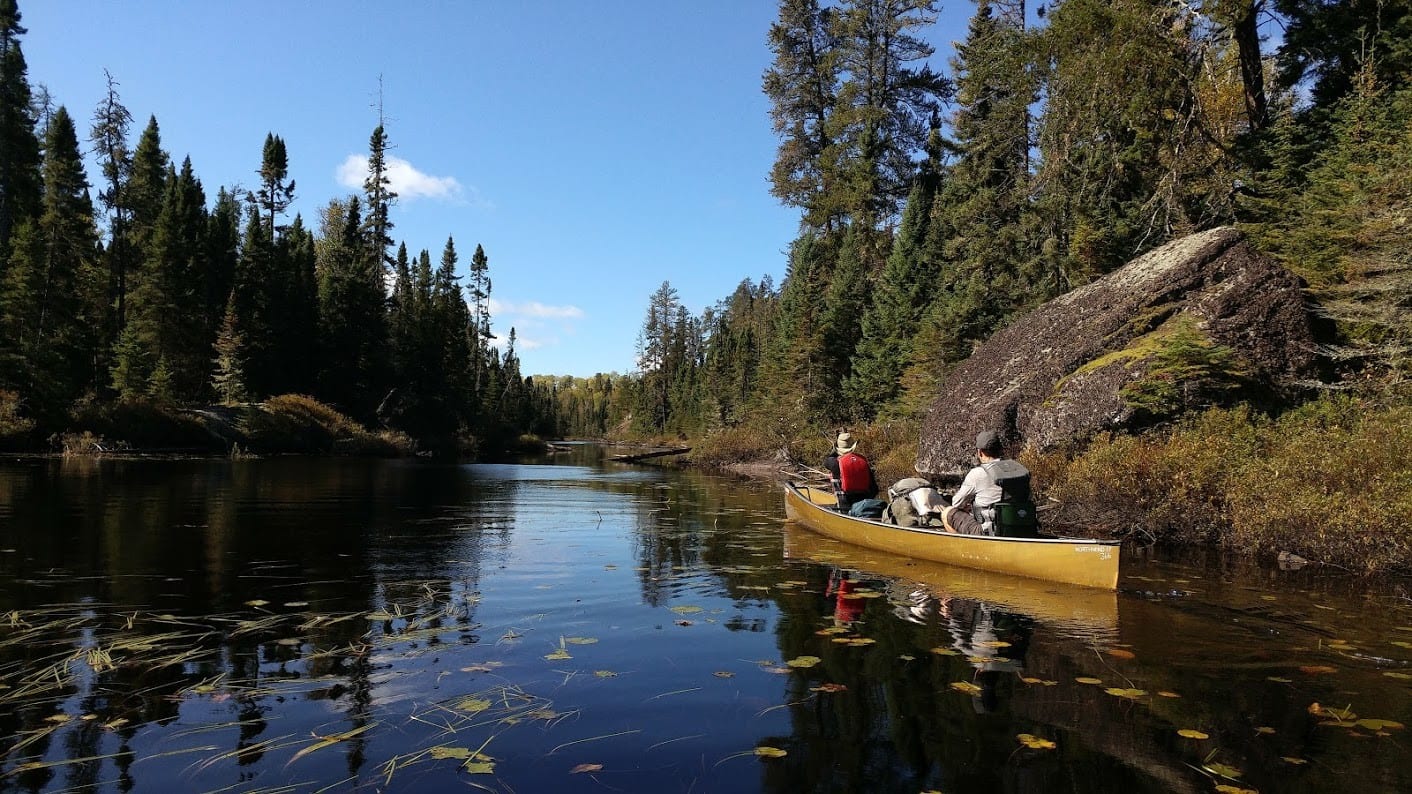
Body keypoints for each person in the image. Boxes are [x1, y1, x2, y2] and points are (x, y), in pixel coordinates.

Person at [942, 430, 1006, 535]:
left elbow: (956, 502)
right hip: (1017, 526)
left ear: (979, 452)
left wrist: (965, 507)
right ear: (1000, 450)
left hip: (988, 531)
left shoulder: (977, 473)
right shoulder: (1016, 471)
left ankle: (962, 547)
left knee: (947, 512)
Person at [823, 431, 878, 512]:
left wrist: (835, 450)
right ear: (853, 446)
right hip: (864, 508)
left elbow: (826, 460)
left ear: (837, 448)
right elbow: (874, 489)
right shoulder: (863, 461)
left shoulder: (833, 462)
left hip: (843, 509)